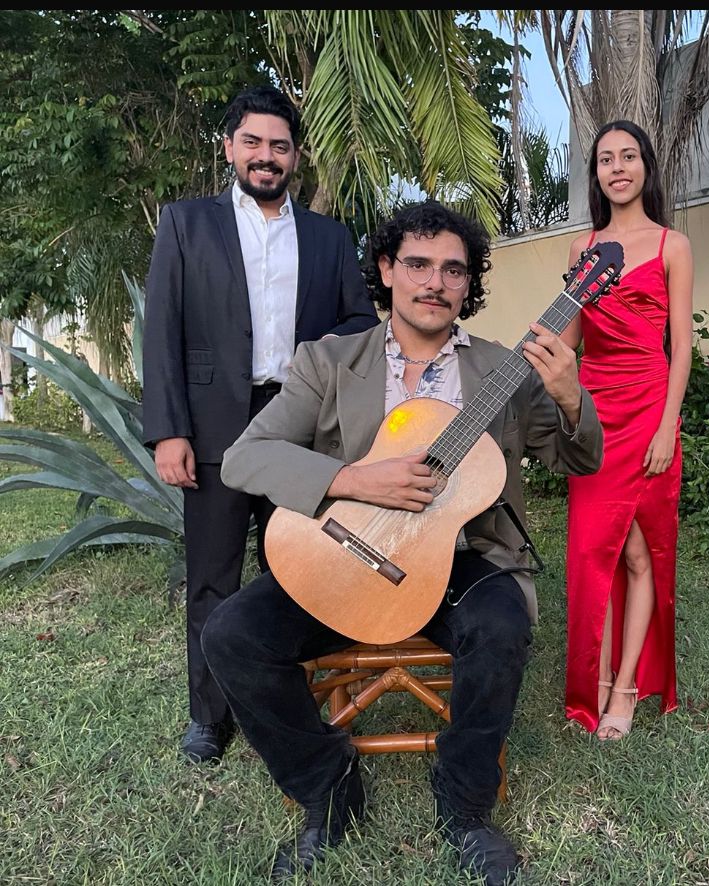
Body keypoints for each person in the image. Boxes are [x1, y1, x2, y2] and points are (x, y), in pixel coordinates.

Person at [201, 200, 603, 883]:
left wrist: (570, 396)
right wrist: (356, 478)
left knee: (500, 627)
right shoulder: (329, 362)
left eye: (453, 269)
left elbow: (581, 459)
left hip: (462, 558)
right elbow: (245, 458)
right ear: (386, 270)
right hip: (346, 548)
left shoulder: (503, 370)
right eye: (418, 264)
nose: (435, 282)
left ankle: (466, 806)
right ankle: (329, 787)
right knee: (232, 635)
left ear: (468, 283)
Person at [142, 85, 379, 765]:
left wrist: (312, 357)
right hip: (213, 426)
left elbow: (360, 323)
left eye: (279, 145)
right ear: (229, 148)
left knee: (302, 569)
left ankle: (297, 704)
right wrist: (169, 431)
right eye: (252, 142)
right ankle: (209, 717)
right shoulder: (186, 224)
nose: (266, 156)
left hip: (298, 427)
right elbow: (162, 332)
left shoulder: (329, 237)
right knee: (212, 577)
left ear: (295, 156)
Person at [561, 120, 693, 740]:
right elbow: (568, 340)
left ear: (645, 167)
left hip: (648, 409)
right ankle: (597, 676)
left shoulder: (672, 245)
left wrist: (668, 426)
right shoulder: (581, 248)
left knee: (642, 553)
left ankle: (625, 686)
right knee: (596, 551)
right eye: (606, 159)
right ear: (596, 174)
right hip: (593, 414)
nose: (618, 168)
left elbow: (681, 347)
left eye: (629, 156)